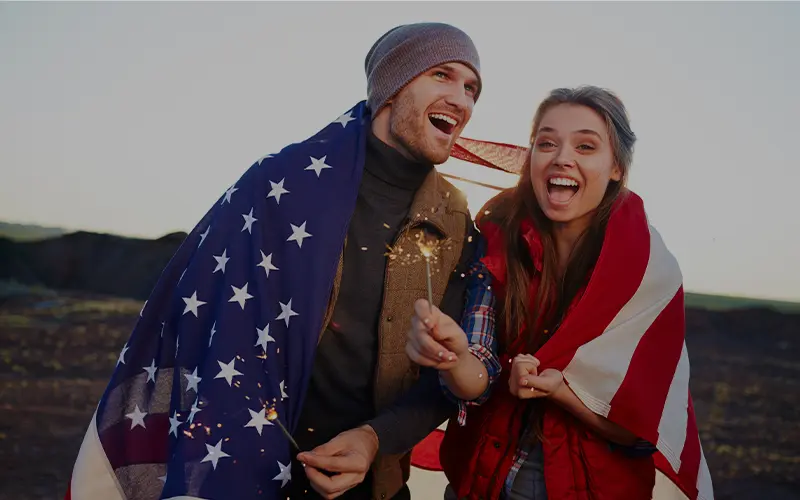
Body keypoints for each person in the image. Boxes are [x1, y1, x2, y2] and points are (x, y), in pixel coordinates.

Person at [65, 22, 482, 500]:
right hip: (243, 474)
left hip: (376, 487)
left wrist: (373, 439)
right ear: (392, 83)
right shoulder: (279, 184)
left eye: (471, 89)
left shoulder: (453, 219)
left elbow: (445, 379)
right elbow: (194, 325)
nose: (463, 100)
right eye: (443, 76)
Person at [406, 86, 714, 499]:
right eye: (546, 143)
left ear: (617, 168)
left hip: (586, 484)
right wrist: (455, 356)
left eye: (586, 146)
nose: (562, 157)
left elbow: (642, 432)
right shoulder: (499, 241)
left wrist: (564, 394)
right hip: (481, 475)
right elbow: (475, 381)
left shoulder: (648, 271)